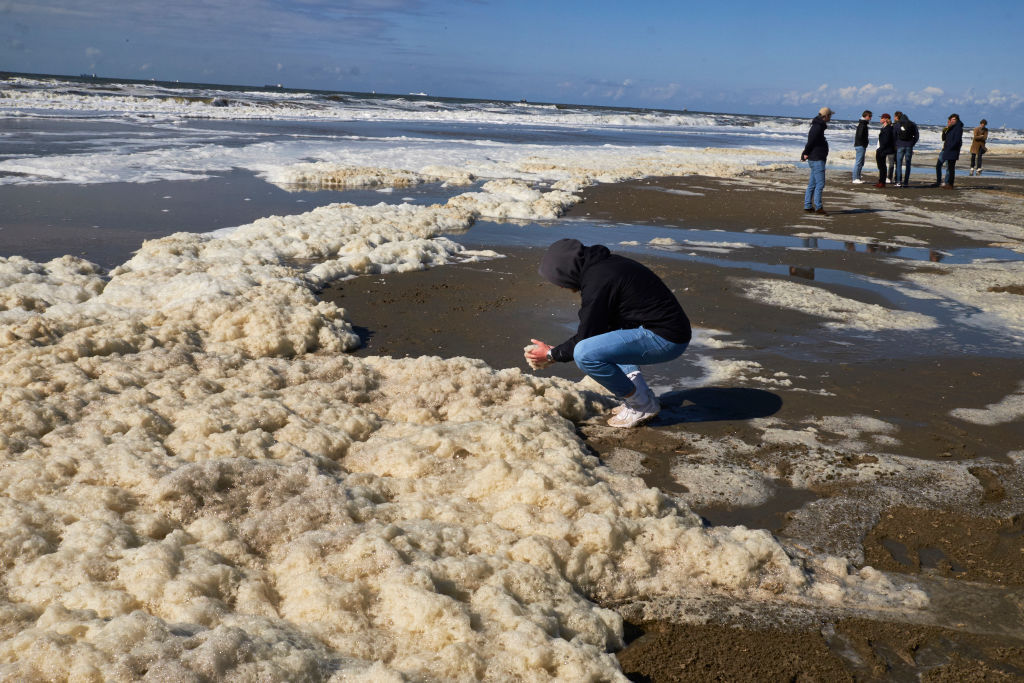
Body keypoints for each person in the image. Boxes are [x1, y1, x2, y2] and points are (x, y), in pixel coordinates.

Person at [524, 239, 691, 428]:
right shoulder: (605, 266)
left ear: (568, 271)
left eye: (559, 280)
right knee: (600, 339)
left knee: (585, 354)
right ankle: (641, 394)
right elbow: (596, 329)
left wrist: (551, 354)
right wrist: (556, 352)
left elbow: (586, 336)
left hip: (666, 339)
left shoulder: (599, 280)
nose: (561, 286)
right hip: (662, 329)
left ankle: (641, 404)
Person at [801, 106, 833, 215]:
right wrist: (805, 153)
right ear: (826, 116)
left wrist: (806, 153)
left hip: (816, 157)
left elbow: (812, 141)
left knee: (813, 183)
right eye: (830, 116)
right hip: (817, 158)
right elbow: (811, 141)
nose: (831, 118)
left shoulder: (818, 126)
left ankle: (808, 206)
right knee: (820, 184)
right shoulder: (817, 127)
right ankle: (818, 207)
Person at [935, 113, 964, 189]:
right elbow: (944, 138)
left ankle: (948, 183)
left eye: (953, 119)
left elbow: (957, 140)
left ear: (957, 120)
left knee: (950, 168)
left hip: (951, 150)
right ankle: (939, 181)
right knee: (938, 165)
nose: (951, 121)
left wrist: (950, 147)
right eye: (950, 120)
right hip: (945, 150)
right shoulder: (950, 128)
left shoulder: (958, 128)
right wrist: (945, 130)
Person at [893, 111, 919, 187]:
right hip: (909, 146)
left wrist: (896, 144)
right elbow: (917, 136)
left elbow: (894, 135)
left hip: (900, 146)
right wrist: (912, 143)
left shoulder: (897, 124)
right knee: (908, 164)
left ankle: (898, 181)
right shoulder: (912, 124)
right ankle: (906, 182)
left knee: (899, 164)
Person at [874, 113, 895, 187]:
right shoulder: (884, 127)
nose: (881, 119)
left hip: (883, 150)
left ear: (886, 119)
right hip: (881, 149)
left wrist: (880, 149)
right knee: (881, 166)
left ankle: (882, 182)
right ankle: (881, 181)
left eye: (882, 118)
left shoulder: (888, 128)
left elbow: (886, 140)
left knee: (882, 167)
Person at [852, 110, 872, 183]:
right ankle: (855, 178)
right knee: (858, 162)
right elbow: (860, 136)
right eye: (870, 116)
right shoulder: (862, 124)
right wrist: (864, 143)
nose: (870, 118)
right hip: (860, 145)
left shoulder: (863, 123)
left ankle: (858, 177)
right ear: (866, 116)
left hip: (860, 145)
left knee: (861, 162)